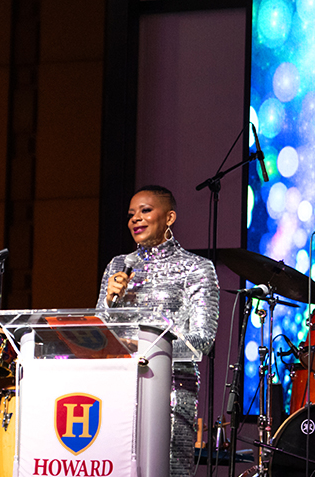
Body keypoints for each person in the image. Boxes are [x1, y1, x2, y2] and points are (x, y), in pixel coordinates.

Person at [96, 185, 219, 477]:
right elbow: (100, 332)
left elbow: (203, 340)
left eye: (145, 210)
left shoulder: (196, 268)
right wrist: (111, 303)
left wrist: (148, 352)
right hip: (120, 390)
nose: (135, 219)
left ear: (170, 217)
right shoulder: (118, 266)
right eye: (130, 214)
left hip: (173, 391)